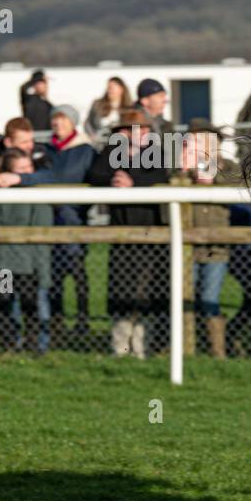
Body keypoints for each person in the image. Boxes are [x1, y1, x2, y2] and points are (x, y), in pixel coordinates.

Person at [85, 109, 171, 358]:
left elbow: (159, 176)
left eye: (143, 129)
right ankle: (120, 348)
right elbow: (95, 175)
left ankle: (142, 348)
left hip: (148, 233)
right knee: (122, 291)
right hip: (121, 234)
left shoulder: (156, 151)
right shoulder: (112, 152)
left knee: (147, 291)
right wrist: (115, 178)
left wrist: (132, 181)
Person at [176, 118, 242, 359]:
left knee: (209, 298)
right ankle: (186, 348)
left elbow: (243, 187)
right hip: (186, 246)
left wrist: (216, 178)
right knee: (186, 296)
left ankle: (217, 350)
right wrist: (183, 174)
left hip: (216, 245)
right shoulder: (181, 169)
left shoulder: (229, 167)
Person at [0, 150, 52, 353]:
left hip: (28, 266)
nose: (27, 173)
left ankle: (34, 345)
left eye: (29, 168)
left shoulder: (37, 196)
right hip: (5, 265)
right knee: (4, 303)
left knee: (30, 306)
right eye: (21, 169)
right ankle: (10, 345)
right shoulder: (2, 193)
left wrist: (42, 271)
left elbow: (42, 237)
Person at [45, 105, 97, 346]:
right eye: (55, 120)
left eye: (63, 120)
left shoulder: (85, 150)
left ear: (72, 123)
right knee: (52, 278)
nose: (58, 124)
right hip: (49, 222)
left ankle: (83, 321)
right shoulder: (45, 150)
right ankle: (55, 325)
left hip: (74, 220)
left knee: (77, 274)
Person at [85, 76, 133, 141]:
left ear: (121, 89)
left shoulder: (130, 108)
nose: (109, 90)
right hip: (99, 143)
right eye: (108, 87)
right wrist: (92, 136)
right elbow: (88, 123)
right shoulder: (97, 104)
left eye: (112, 88)